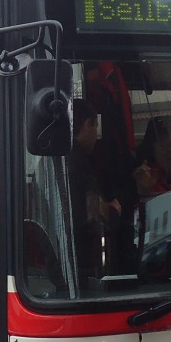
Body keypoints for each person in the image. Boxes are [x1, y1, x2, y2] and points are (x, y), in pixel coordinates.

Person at [68, 98, 120, 279]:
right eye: (96, 127)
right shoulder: (78, 162)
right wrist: (113, 209)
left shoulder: (57, 160)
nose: (96, 136)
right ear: (88, 124)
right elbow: (93, 214)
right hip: (80, 267)